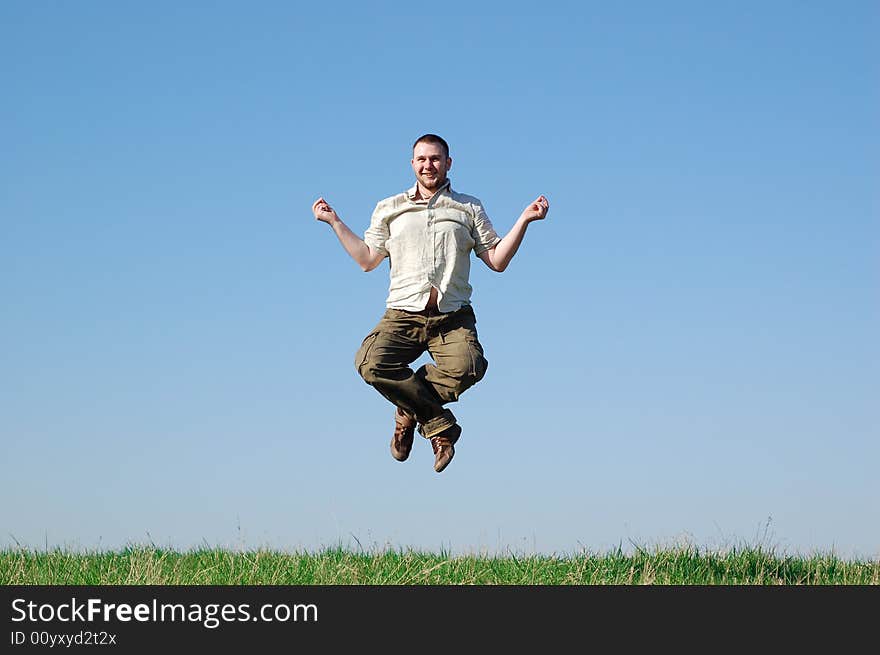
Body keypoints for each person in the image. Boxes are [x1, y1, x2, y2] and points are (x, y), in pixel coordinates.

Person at [311, 134, 548, 473]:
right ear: (412, 164)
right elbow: (367, 259)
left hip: (451, 317)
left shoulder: (468, 207)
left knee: (470, 367)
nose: (428, 165)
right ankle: (438, 425)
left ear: (448, 163)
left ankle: (408, 409)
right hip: (403, 315)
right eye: (421, 159)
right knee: (369, 363)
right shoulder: (391, 208)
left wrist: (524, 220)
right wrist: (334, 222)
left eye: (435, 159)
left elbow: (496, 260)